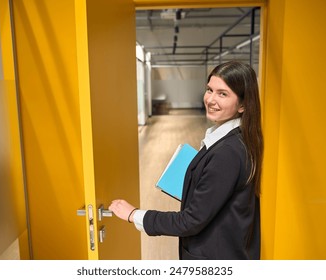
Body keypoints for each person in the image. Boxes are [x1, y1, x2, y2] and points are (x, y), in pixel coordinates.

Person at [109, 60, 263, 260]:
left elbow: (190, 221)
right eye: (209, 90)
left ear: (243, 104)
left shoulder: (228, 153)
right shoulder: (234, 137)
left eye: (222, 94)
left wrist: (134, 214)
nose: (210, 99)